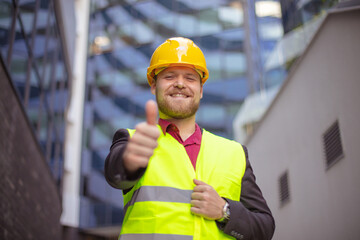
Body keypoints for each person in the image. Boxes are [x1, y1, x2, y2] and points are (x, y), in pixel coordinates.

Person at [105, 37, 275, 240]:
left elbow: (265, 228)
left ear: (201, 90)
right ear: (153, 86)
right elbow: (115, 174)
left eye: (190, 78)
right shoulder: (133, 140)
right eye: (169, 76)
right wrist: (129, 162)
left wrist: (225, 211)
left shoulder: (235, 153)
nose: (179, 83)